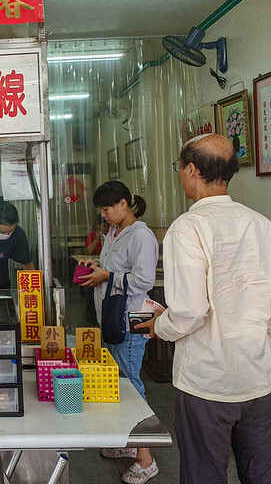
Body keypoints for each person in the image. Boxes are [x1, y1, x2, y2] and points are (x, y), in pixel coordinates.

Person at [141, 134, 271, 484]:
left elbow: (190, 310)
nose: (180, 174)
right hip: (256, 379)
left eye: (179, 168)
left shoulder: (188, 228)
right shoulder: (262, 225)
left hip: (206, 383)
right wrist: (258, 341)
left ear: (192, 170)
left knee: (204, 473)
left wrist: (159, 326)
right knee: (261, 471)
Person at [77, 181, 159, 484]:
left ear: (124, 204)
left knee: (132, 386)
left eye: (107, 208)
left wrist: (107, 275)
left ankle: (146, 458)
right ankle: (129, 444)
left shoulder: (142, 237)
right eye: (101, 209)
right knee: (120, 381)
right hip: (112, 318)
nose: (104, 214)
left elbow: (143, 280)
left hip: (130, 321)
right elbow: (112, 267)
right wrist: (96, 266)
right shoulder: (113, 232)